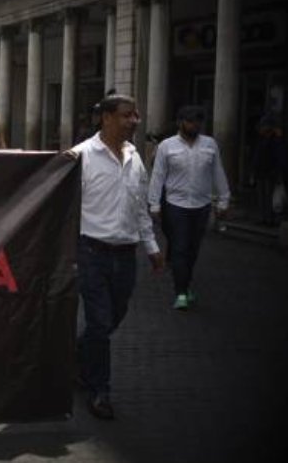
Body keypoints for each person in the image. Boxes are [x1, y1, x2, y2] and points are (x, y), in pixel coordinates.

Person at [70, 93, 164, 420]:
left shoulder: (135, 157)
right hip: (91, 252)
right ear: (106, 118)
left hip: (126, 255)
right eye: (127, 115)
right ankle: (99, 390)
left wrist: (151, 247)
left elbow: (139, 208)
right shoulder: (80, 156)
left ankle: (78, 359)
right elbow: (65, 208)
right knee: (100, 321)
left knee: (112, 319)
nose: (134, 121)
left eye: (135, 115)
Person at [148, 105, 230, 311]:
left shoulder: (210, 144)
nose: (194, 125)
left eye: (198, 121)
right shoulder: (167, 146)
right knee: (180, 248)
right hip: (176, 205)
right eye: (190, 121)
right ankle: (181, 292)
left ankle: (185, 284)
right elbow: (158, 176)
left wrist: (224, 199)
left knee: (193, 250)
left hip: (201, 205)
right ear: (180, 122)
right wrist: (154, 203)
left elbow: (218, 172)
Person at [250, 113, 286, 226]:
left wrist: (279, 173)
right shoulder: (261, 139)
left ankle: (271, 219)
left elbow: (281, 157)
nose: (261, 129)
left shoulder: (277, 140)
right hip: (261, 172)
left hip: (271, 173)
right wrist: (253, 171)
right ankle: (264, 218)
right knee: (262, 196)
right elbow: (257, 156)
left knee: (270, 197)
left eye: (263, 126)